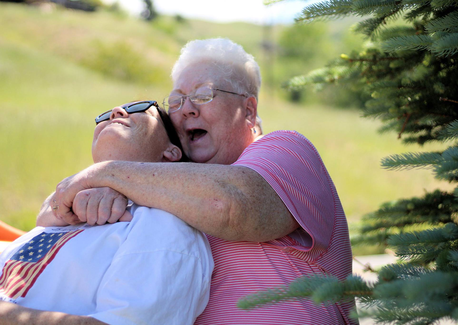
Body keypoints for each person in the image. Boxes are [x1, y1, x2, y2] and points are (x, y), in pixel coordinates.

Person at [47, 38, 357, 324]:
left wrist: (107, 172)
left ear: (248, 111)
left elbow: (230, 205)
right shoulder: (166, 192)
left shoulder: (286, 149)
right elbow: (53, 225)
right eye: (176, 101)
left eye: (204, 95)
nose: (187, 110)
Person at [0, 101, 213, 325]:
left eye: (139, 108)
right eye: (104, 116)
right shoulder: (64, 213)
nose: (116, 112)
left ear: (171, 152)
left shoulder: (165, 226)